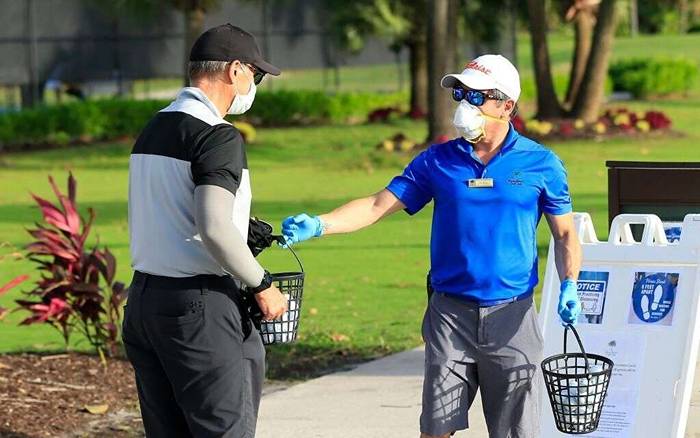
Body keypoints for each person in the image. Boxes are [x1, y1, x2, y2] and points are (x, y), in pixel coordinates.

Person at [281, 54, 583, 437]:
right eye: (460, 93)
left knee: (515, 433)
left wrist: (570, 281)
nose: (464, 104)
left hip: (513, 316)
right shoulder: (437, 161)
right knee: (435, 431)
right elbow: (378, 205)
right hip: (450, 315)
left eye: (476, 96)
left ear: (507, 105)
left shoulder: (542, 164)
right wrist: (320, 224)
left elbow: (566, 234)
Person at [122, 24, 288, 438]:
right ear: (235, 71)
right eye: (257, 74)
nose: (255, 84)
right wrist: (262, 284)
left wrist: (242, 229)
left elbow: (170, 210)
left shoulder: (155, 127)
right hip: (198, 308)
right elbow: (213, 226)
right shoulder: (217, 135)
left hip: (144, 301)